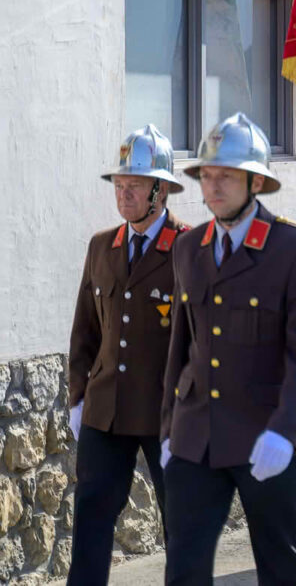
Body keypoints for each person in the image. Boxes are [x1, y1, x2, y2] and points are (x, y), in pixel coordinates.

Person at [160, 112, 296, 585]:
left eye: (227, 176)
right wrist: (167, 428)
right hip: (197, 436)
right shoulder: (189, 247)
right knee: (184, 566)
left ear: (256, 181)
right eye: (207, 175)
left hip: (267, 435)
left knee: (281, 564)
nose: (213, 187)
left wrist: (289, 429)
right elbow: (182, 344)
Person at [67, 125, 189, 586]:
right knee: (92, 519)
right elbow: (85, 329)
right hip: (106, 410)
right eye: (120, 185)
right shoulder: (103, 245)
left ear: (161, 190)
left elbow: (200, 340)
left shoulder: (188, 248)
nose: (124, 193)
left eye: (135, 185)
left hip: (166, 415)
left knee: (181, 526)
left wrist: (190, 412)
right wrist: (78, 398)